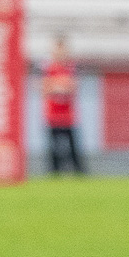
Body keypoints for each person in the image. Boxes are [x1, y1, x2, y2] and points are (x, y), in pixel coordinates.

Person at [43, 37, 84, 175]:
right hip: (52, 114)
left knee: (73, 147)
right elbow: (43, 87)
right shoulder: (48, 67)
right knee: (54, 147)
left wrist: (55, 84)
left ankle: (78, 172)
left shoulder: (71, 67)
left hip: (68, 115)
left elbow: (73, 86)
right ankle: (55, 172)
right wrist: (59, 84)